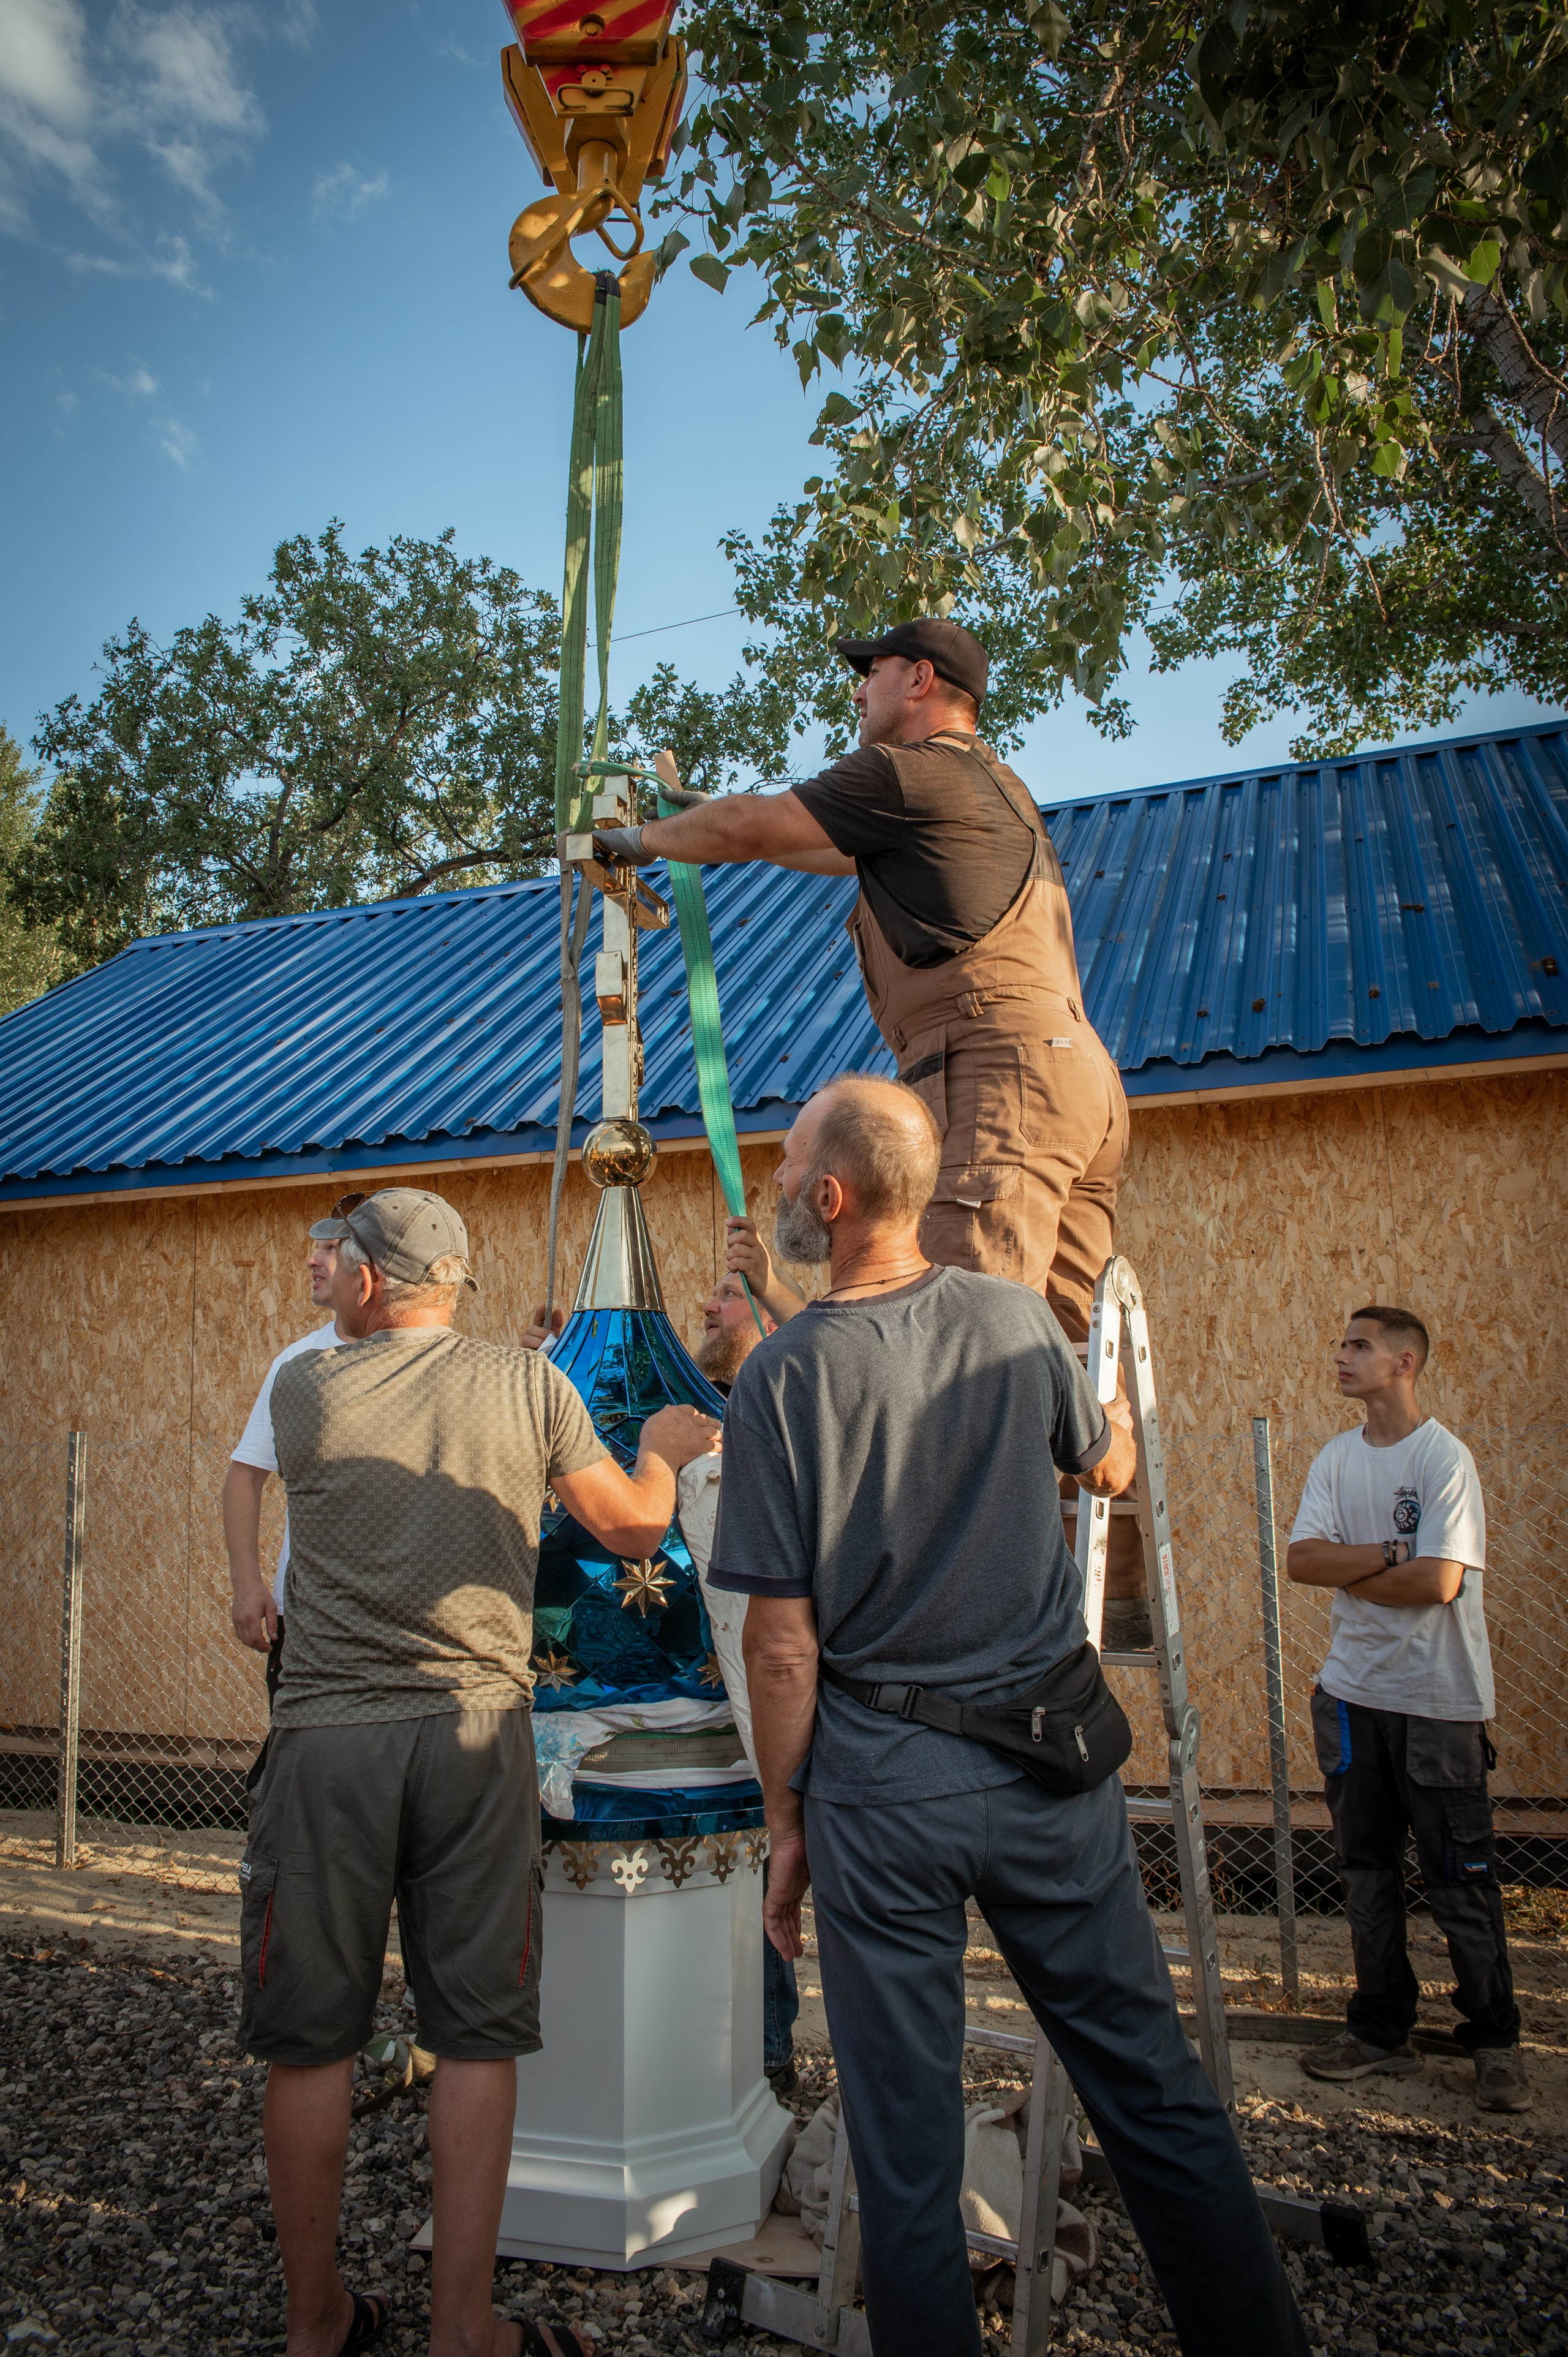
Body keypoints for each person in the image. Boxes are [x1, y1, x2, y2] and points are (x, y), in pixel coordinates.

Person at [707, 1075, 1310, 2357]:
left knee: (906, 2143)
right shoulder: (1013, 1320)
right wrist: (1121, 1439)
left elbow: (778, 1644)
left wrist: (782, 1818)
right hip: (1047, 1768)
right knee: (1150, 2089)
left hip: (881, 1786)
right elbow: (1101, 1463)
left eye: (787, 1160)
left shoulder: (779, 1383)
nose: (771, 1176)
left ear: (829, 1198)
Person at [595, 618, 1147, 1642]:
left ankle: (948, 1615)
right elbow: (805, 844)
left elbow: (763, 827)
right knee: (1065, 1343)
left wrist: (628, 841)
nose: (858, 690)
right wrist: (690, 818)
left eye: (871, 672)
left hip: (996, 1076)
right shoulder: (986, 787)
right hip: (1072, 1078)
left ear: (920, 680)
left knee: (946, 1342)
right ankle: (1106, 1592)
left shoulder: (910, 769)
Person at [241, 1187, 715, 2357]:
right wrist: (657, 1445)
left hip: (325, 1742)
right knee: (477, 2033)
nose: (325, 1273)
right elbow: (633, 1533)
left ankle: (318, 2326)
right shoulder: (533, 1386)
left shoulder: (304, 1388)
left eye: (336, 1256)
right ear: (450, 1281)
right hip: (475, 1733)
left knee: (309, 2042)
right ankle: (466, 2329)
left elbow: (394, 1397)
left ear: (367, 1275)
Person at [520, 1270, 802, 2093]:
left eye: (728, 1295)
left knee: (755, 1893)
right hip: (613, 1713)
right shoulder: (687, 1405)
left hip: (734, 1702)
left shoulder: (767, 1400)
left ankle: (766, 2051)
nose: (707, 1307)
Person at [1286, 1305, 1529, 2115]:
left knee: (1461, 1880)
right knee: (1367, 1876)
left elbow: (1441, 1584)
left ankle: (1494, 2042)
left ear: (1404, 1364)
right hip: (1353, 1698)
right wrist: (1392, 1554)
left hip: (1438, 1704)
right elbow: (1301, 1560)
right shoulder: (1335, 1459)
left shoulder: (1443, 1460)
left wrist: (1355, 1573)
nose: (1342, 1355)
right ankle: (1381, 2030)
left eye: (1359, 1345)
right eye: (1343, 1341)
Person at [224, 1190, 368, 1710]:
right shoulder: (297, 1361)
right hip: (303, 1616)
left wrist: (546, 1355)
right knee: (298, 1766)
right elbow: (245, 1476)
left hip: (401, 1616)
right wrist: (248, 1585)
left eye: (331, 1249)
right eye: (318, 1248)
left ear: (367, 1267)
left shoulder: (435, 1358)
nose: (312, 1259)